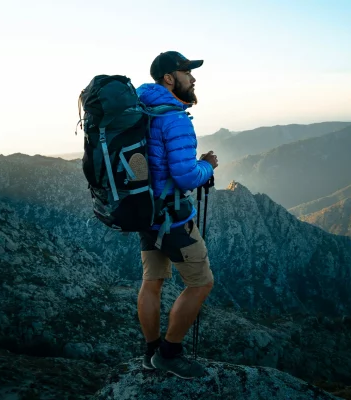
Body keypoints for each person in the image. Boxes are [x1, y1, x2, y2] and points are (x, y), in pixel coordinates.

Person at [135, 51, 219, 379]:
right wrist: (207, 165)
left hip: (145, 212)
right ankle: (170, 354)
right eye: (186, 72)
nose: (193, 78)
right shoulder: (174, 117)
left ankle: (151, 353)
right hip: (173, 218)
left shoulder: (142, 108)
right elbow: (185, 177)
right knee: (201, 283)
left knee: (151, 282)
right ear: (169, 78)